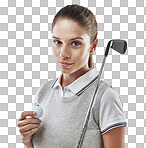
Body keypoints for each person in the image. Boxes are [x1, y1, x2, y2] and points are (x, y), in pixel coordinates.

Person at [18, 4, 127, 148]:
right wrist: (27, 140)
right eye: (58, 42)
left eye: (75, 43)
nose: (63, 53)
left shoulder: (105, 97)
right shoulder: (44, 91)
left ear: (93, 46)